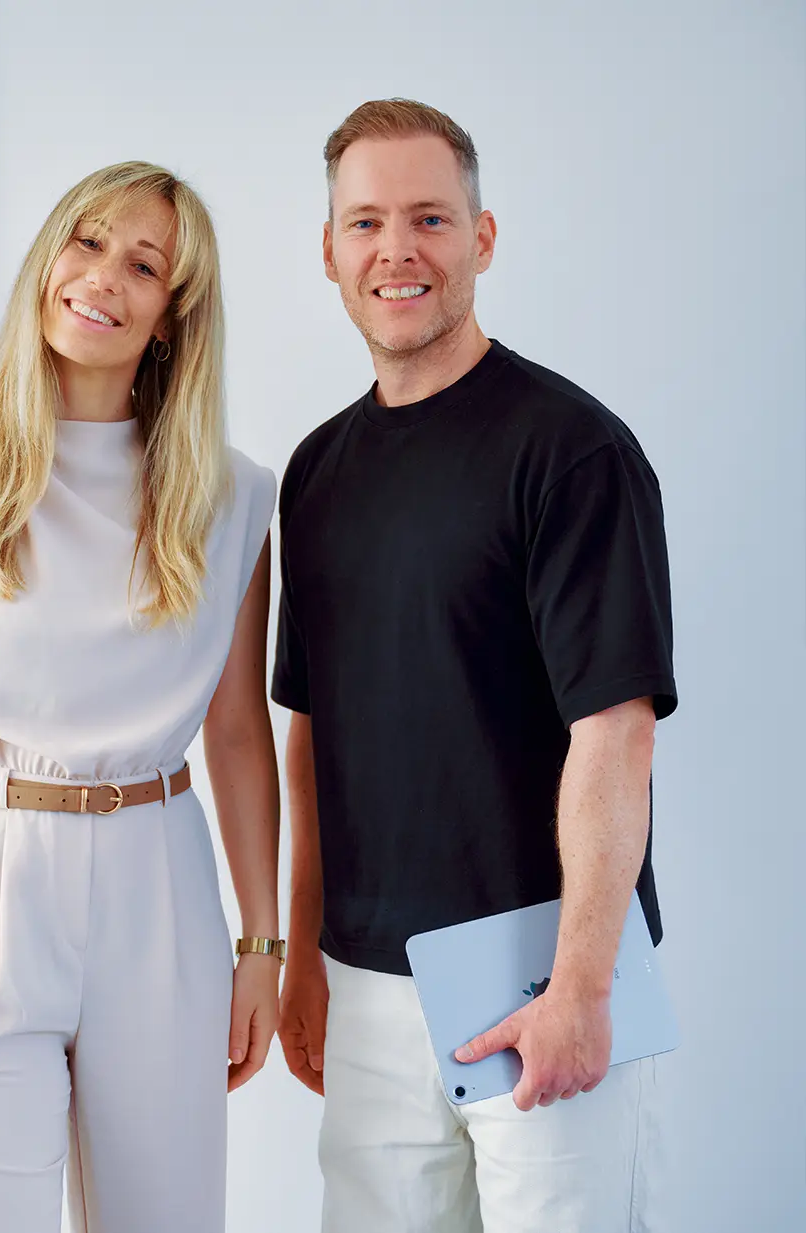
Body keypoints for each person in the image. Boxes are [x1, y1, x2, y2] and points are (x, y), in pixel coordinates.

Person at [273, 99, 677, 1233]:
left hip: (539, 973)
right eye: (365, 223)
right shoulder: (315, 475)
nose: (396, 250)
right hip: (367, 989)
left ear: (482, 239)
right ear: (329, 251)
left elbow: (616, 730)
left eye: (429, 219)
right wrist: (306, 959)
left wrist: (580, 986)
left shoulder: (570, 451)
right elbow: (312, 737)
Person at [0, 160, 282, 1233]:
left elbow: (238, 738)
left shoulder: (230, 499)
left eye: (143, 265)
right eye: (86, 242)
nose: (102, 277)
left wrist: (262, 947)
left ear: (172, 316)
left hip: (163, 896)